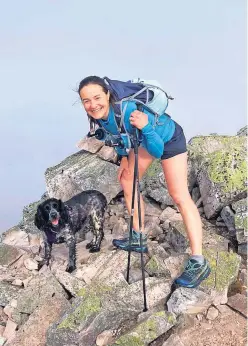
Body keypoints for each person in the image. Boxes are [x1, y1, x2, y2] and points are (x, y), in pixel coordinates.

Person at [78, 75, 211, 288]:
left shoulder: (128, 110)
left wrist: (146, 126)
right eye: (86, 101)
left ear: (108, 95)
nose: (93, 105)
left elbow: (157, 150)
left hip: (167, 139)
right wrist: (123, 157)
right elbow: (118, 135)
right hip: (145, 138)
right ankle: (137, 236)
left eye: (97, 98)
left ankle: (199, 261)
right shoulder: (101, 115)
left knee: (179, 195)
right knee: (127, 178)